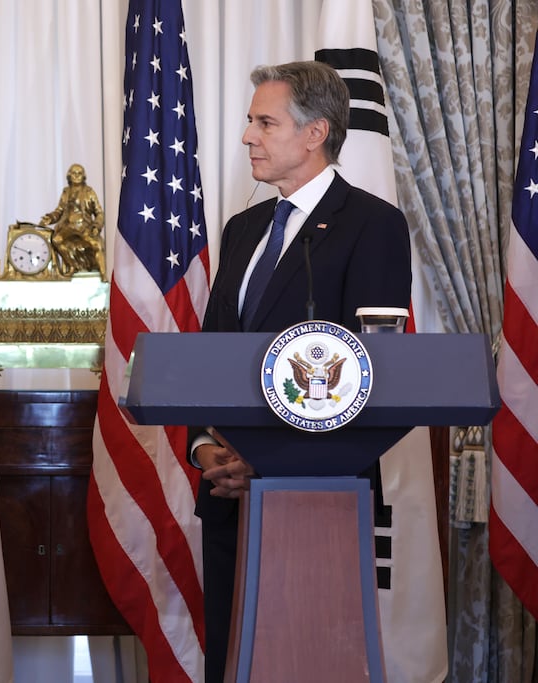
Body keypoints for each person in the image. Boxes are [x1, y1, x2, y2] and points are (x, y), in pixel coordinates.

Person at [190, 61, 411, 683]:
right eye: (250, 121)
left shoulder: (373, 226)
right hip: (229, 494)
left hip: (319, 499)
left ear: (316, 133)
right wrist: (210, 450)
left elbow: (372, 373)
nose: (247, 137)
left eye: (265, 122)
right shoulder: (244, 229)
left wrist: (269, 459)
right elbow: (214, 354)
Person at [38, 163, 108, 279]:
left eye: (79, 173)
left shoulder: (89, 192)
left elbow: (99, 213)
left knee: (96, 245)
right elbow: (59, 211)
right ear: (69, 176)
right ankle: (73, 266)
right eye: (74, 173)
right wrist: (50, 218)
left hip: (85, 227)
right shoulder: (66, 192)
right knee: (56, 240)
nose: (76, 176)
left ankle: (103, 274)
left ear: (83, 176)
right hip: (68, 228)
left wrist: (96, 226)